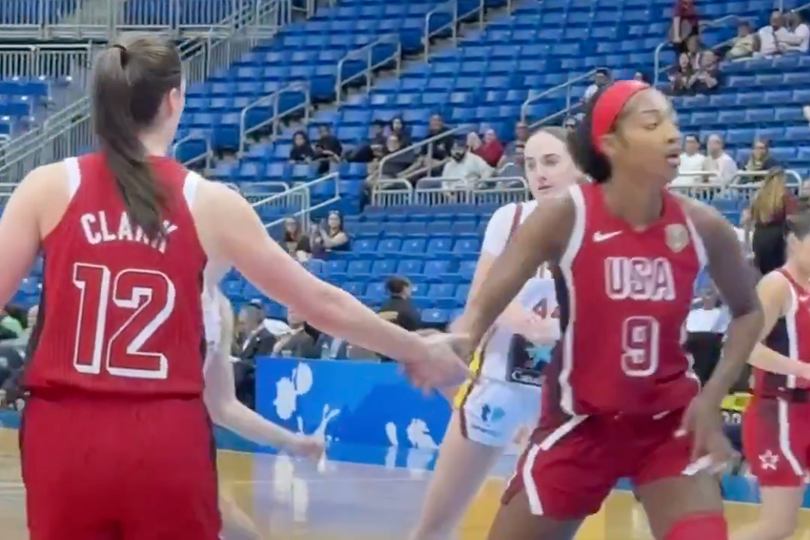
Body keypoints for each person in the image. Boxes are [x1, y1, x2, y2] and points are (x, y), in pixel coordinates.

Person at [0, 35, 468, 540]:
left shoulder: (45, 186)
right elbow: (320, 302)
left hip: (62, 433)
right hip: (162, 435)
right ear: (175, 99)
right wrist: (415, 348)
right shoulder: (211, 203)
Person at [456, 80, 763, 540]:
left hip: (667, 425)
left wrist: (712, 394)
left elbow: (748, 311)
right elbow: (493, 291)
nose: (673, 134)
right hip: (580, 422)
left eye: (673, 120)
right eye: (652, 123)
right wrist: (464, 336)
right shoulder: (567, 214)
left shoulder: (704, 225)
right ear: (610, 144)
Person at [410, 127, 581, 540]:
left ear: (580, 166)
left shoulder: (599, 231)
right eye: (530, 164)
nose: (539, 173)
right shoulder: (511, 218)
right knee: (433, 527)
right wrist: (531, 324)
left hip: (564, 405)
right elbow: (482, 297)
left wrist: (562, 330)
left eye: (551, 161)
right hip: (497, 388)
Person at [201, 281, 324, 539]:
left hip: (177, 439)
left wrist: (290, 441)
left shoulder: (218, 306)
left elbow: (222, 404)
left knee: (222, 513)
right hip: (124, 433)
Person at [733, 212, 810, 540]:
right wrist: (803, 370)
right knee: (777, 526)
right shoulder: (777, 285)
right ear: (794, 242)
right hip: (779, 412)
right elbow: (744, 347)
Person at [749, 168, 798, 276]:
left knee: (762, 273)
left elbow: (750, 218)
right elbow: (792, 218)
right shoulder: (785, 196)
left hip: (759, 235)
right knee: (778, 273)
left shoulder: (758, 196)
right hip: (777, 237)